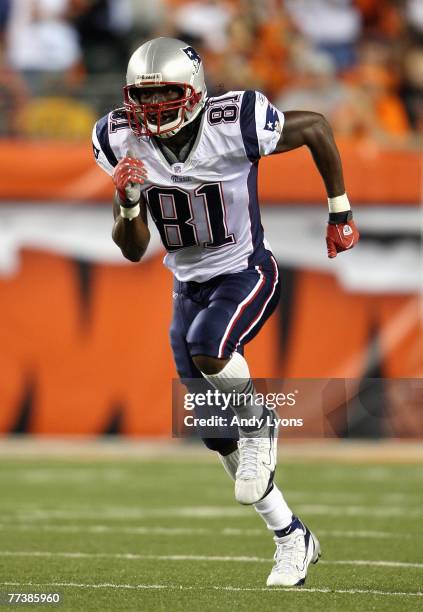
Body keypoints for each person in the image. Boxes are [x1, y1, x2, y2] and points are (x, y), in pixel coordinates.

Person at [92, 37, 359, 587]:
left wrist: (339, 211)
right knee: (218, 436)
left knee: (211, 345)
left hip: (246, 271)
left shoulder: (233, 122)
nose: (153, 107)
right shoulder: (118, 139)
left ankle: (262, 420)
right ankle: (291, 538)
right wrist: (127, 203)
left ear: (192, 92)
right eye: (144, 97)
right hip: (186, 286)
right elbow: (132, 247)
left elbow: (314, 128)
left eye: (166, 93)